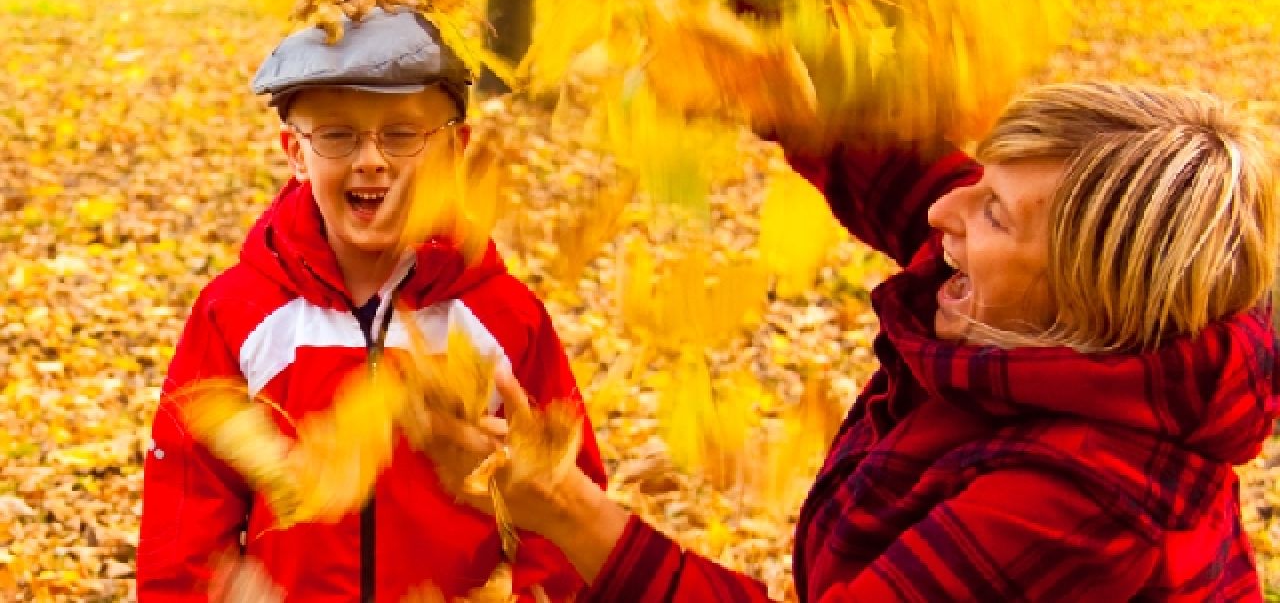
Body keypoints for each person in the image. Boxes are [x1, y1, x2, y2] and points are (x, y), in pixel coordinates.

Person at [422, 81, 1280, 601]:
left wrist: (565, 507)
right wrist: (760, 49)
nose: (947, 211)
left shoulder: (1085, 502)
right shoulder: (1040, 315)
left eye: (992, 212)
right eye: (978, 179)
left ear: (1088, 298)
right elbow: (906, 177)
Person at [136, 7, 606, 602]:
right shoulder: (238, 313)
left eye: (403, 134)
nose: (371, 160)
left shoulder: (503, 321)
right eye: (337, 135)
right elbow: (184, 510)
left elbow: (569, 507)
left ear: (453, 150)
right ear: (296, 153)